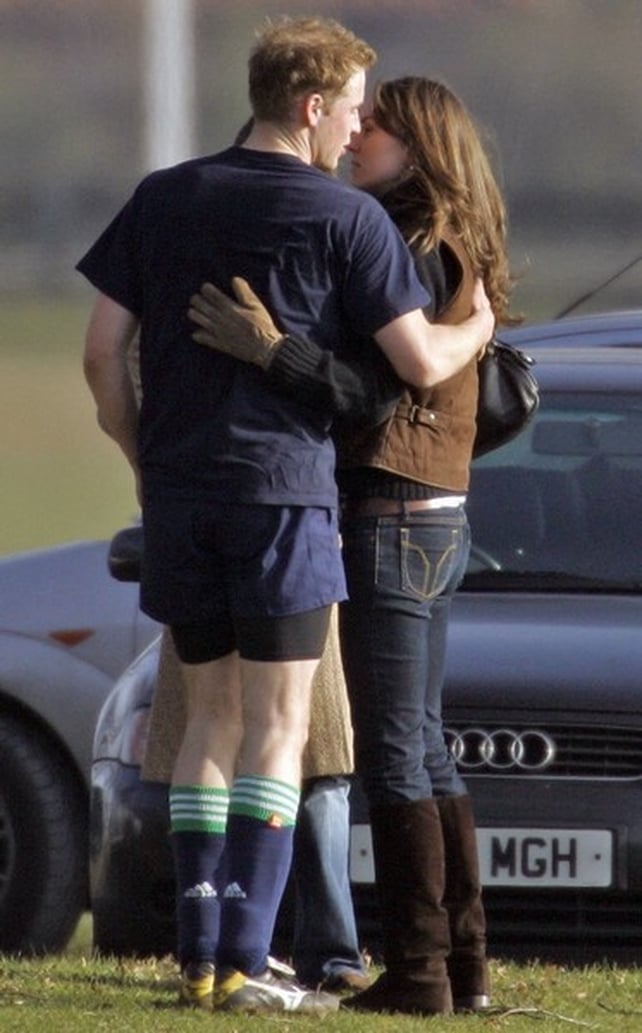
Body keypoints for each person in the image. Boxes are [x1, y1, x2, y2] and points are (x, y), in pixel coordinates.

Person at [77, 9, 493, 1014]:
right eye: (350, 110)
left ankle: (197, 951)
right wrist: (474, 323)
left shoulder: (163, 196)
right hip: (285, 502)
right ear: (311, 107)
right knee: (274, 731)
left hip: (179, 498)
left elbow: (100, 354)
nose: (355, 130)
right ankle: (248, 959)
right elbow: (413, 369)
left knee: (202, 729)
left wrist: (146, 460)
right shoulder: (345, 220)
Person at [186, 76, 518, 1016]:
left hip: (391, 513)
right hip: (437, 514)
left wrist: (269, 349)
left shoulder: (404, 245)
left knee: (397, 755)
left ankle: (418, 972)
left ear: (418, 146)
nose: (356, 134)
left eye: (377, 126)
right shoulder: (449, 239)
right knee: (429, 747)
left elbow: (363, 390)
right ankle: (461, 967)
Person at [142, 620, 370, 996]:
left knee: (210, 725)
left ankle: (207, 953)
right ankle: (247, 960)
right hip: (283, 576)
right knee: (282, 730)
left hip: (197, 572)